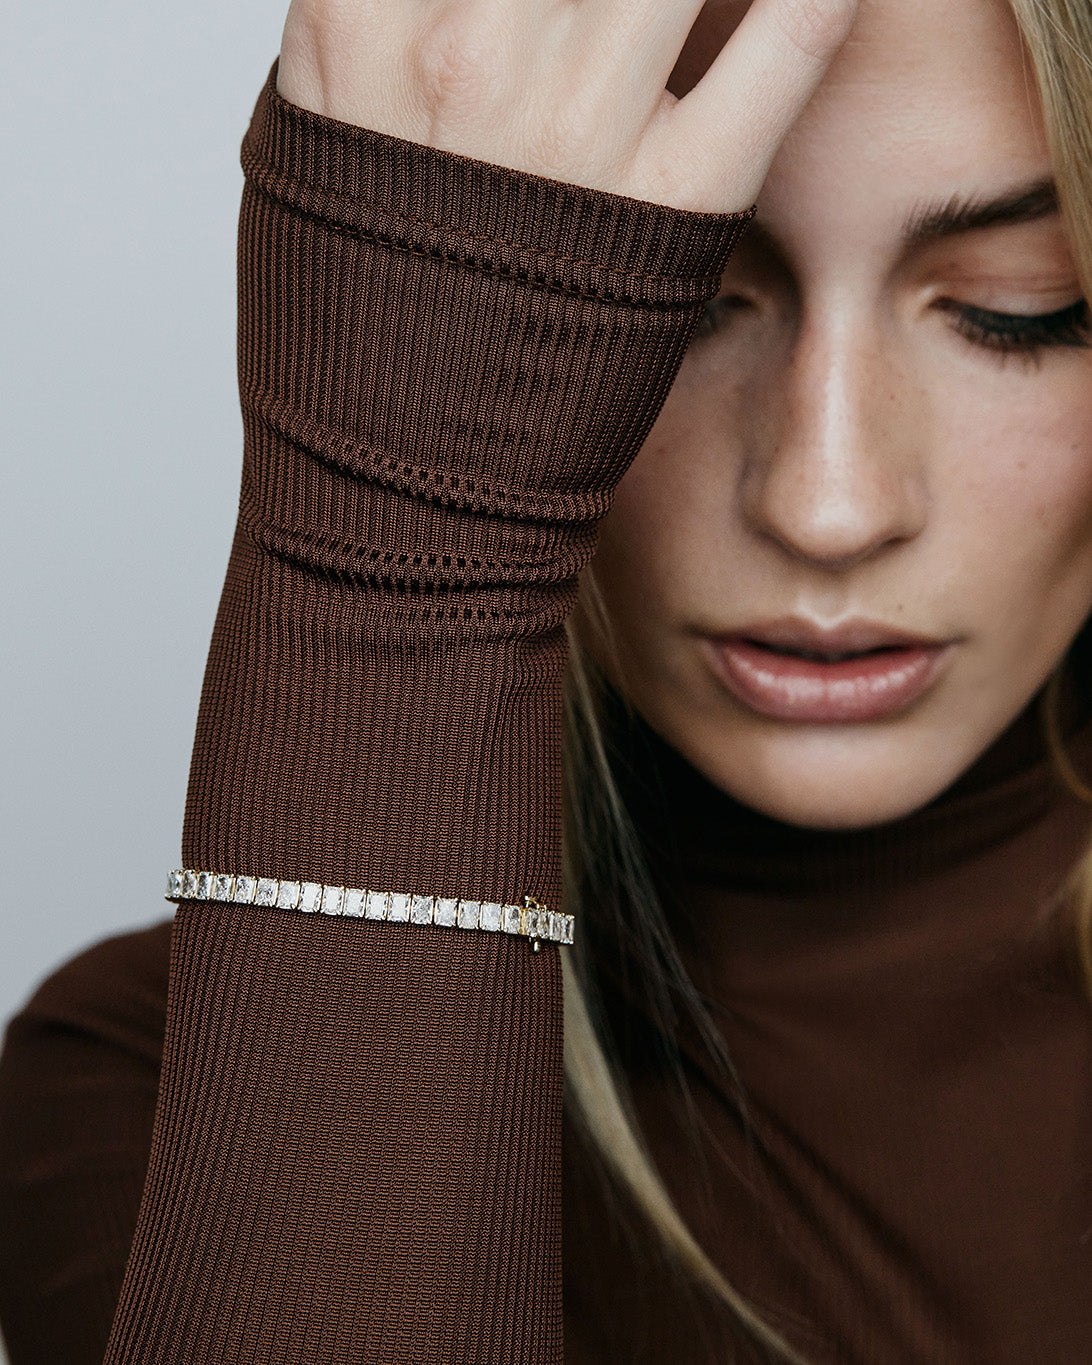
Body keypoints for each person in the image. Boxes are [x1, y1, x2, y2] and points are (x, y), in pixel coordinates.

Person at [1, 0, 1090, 1359]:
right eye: (678, 304)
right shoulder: (153, 1090)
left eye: (1019, 312)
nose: (828, 504)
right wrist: (396, 546)